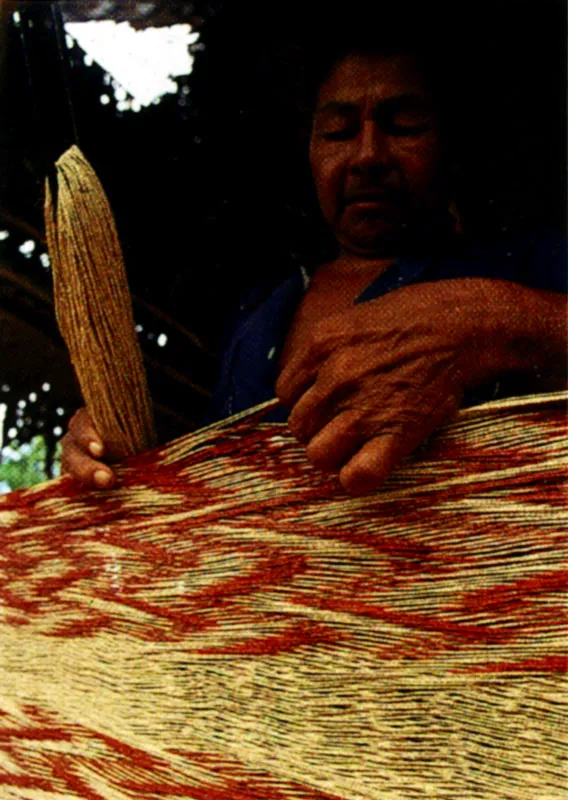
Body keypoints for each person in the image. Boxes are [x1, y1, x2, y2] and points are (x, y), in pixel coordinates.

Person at [61, 33, 567, 495]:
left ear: (451, 149)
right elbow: (210, 474)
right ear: (310, 153)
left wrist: (493, 320)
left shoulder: (521, 265)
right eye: (338, 132)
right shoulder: (259, 311)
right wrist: (118, 450)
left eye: (404, 126)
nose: (367, 155)